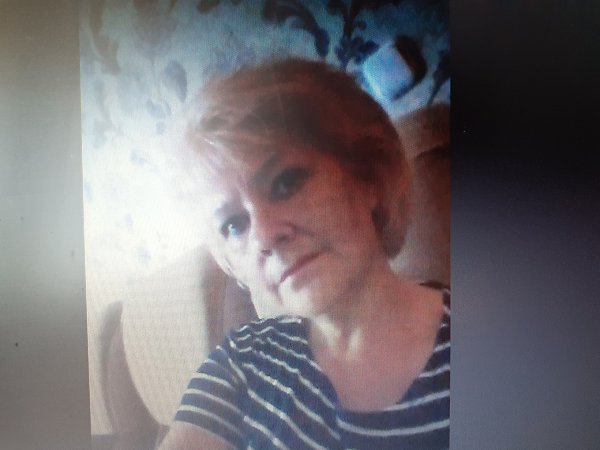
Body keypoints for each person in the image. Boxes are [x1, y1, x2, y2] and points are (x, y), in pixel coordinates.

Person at [159, 58, 450, 449]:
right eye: (234, 224)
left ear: (368, 177)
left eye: (286, 182)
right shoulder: (240, 364)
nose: (264, 236)